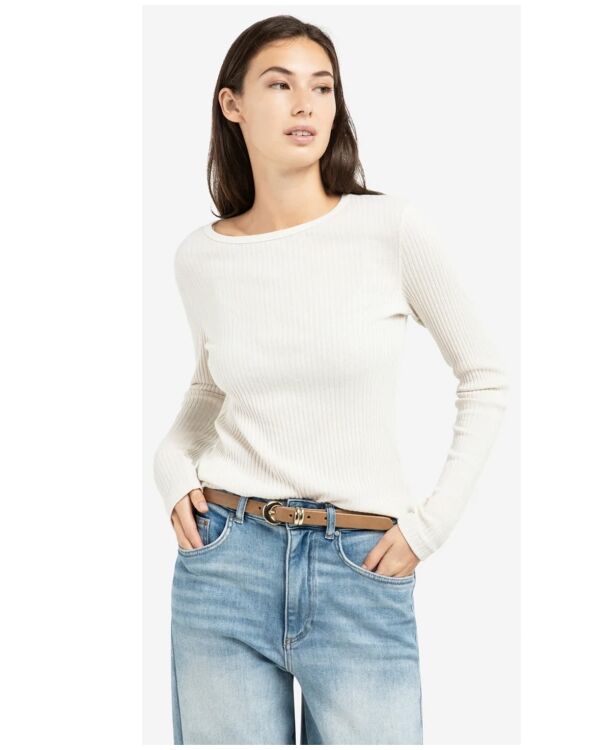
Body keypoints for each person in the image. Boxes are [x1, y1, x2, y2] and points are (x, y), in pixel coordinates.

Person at [153, 14, 509, 746]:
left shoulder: (389, 230)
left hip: (360, 564)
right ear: (232, 105)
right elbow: (210, 388)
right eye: (279, 85)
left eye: (322, 87)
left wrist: (428, 528)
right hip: (225, 562)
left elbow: (484, 378)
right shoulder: (201, 256)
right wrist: (168, 465)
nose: (306, 105)